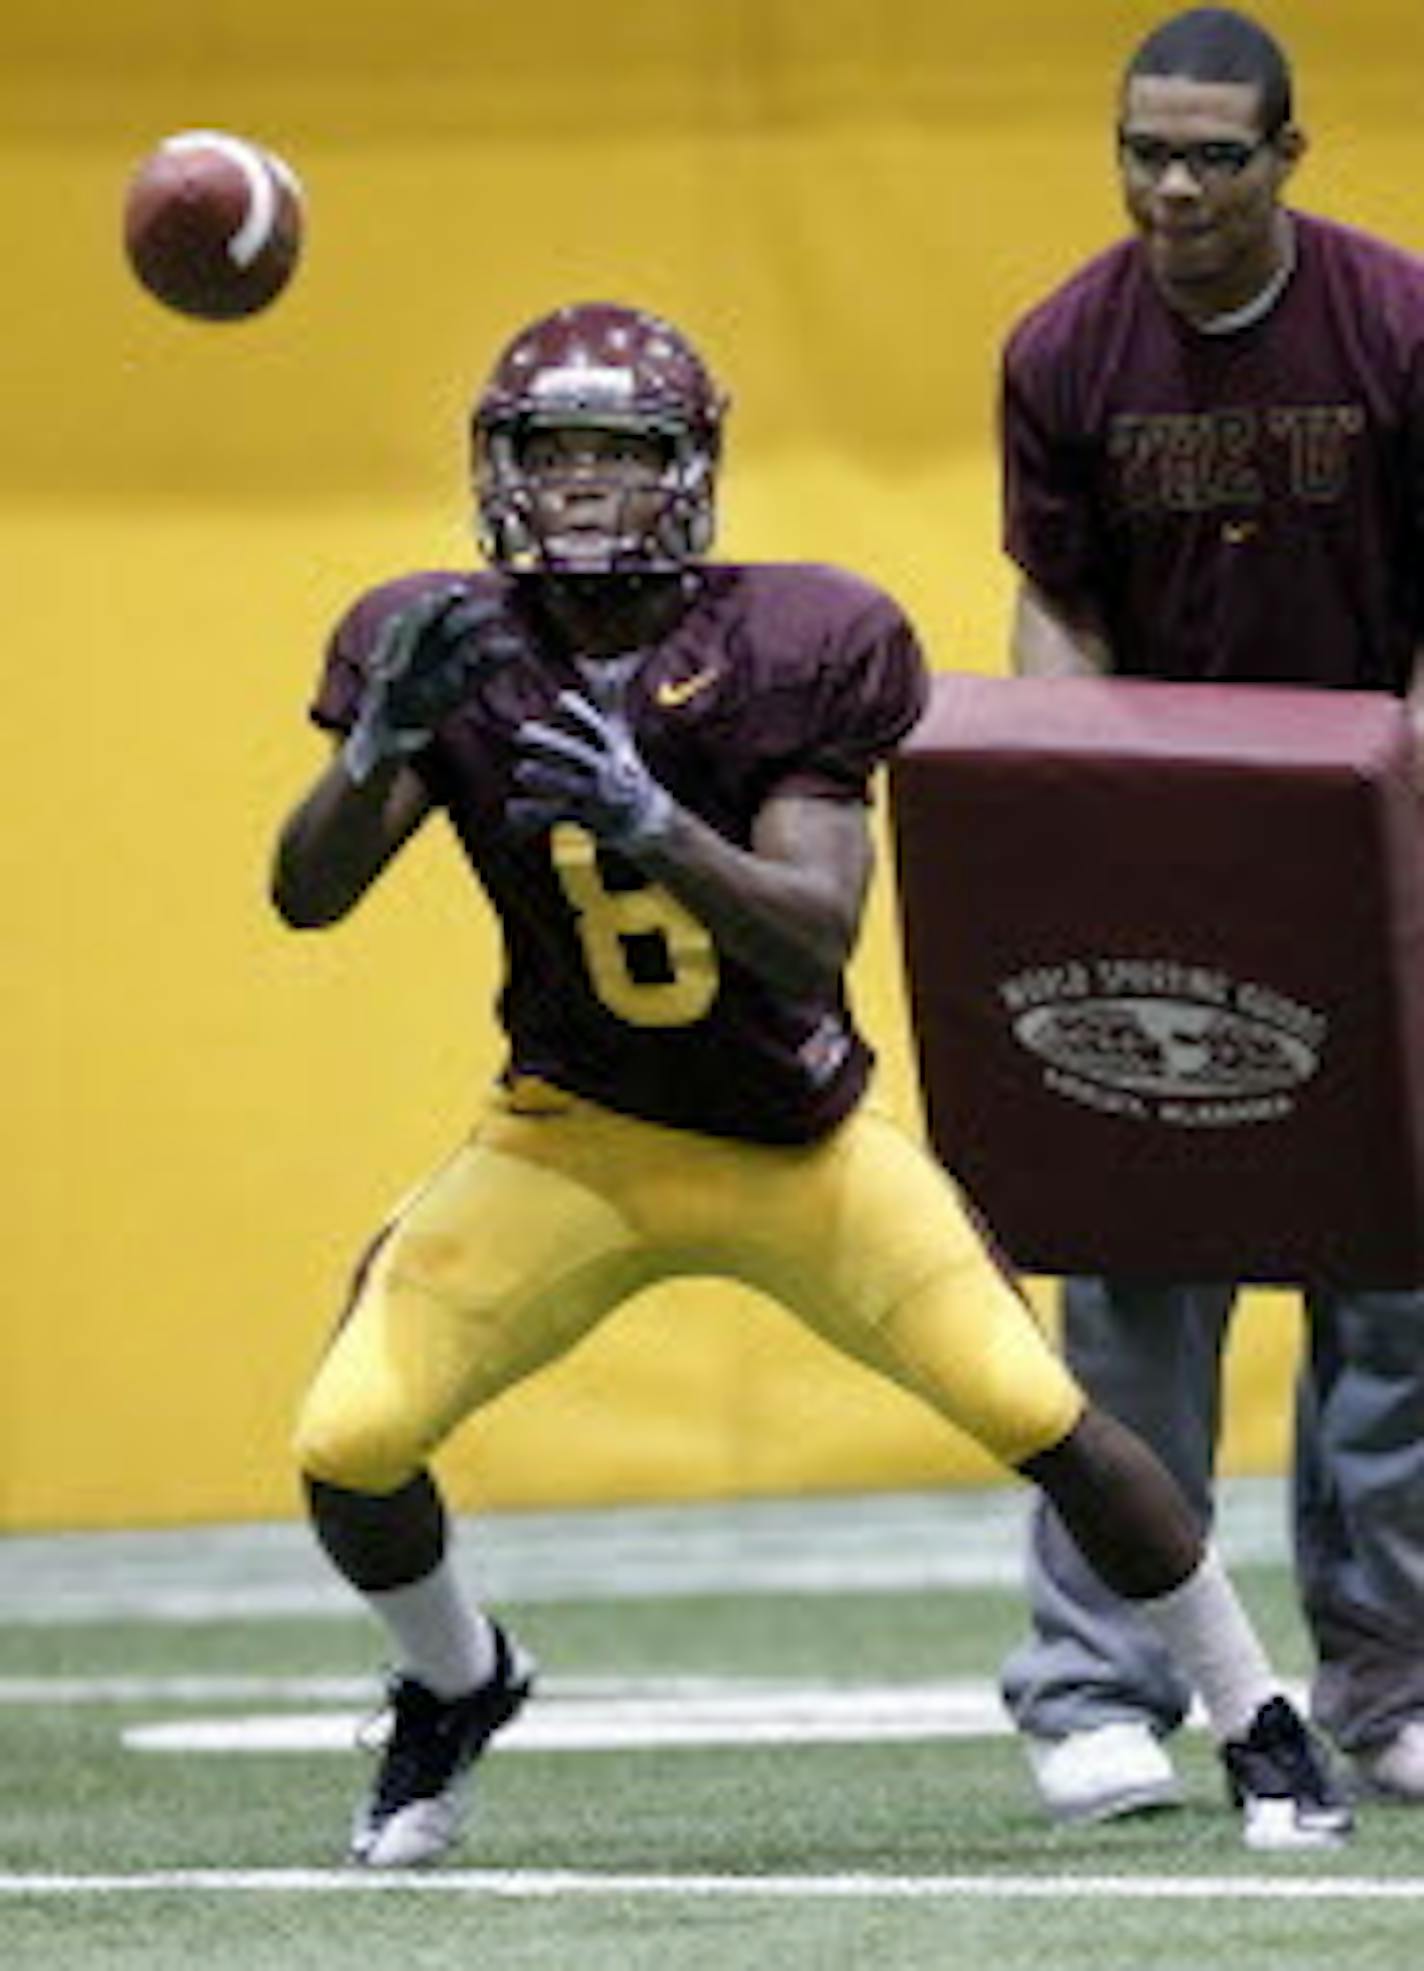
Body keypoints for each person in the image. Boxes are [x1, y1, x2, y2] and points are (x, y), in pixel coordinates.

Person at [271, 298, 1347, 1869]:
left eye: (617, 453)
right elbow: (304, 898)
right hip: (568, 1138)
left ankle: (1258, 1715)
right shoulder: (440, 643)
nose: (579, 486)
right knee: (349, 1440)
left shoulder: (795, 639)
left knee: (1042, 1412)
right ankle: (457, 1682)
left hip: (799, 1142)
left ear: (689, 472)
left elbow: (811, 938)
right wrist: (374, 749)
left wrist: (656, 825)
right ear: (497, 468)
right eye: (549, 451)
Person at [997, 5, 1424, 1823]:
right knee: (1135, 1304)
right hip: (1169, 867)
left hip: (1377, 848)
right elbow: (1057, 608)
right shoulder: (1064, 350)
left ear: (1288, 158)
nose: (1172, 188)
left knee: (1394, 1306)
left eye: (1210, 156)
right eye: (1141, 152)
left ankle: (1393, 1693)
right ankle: (1098, 1692)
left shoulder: (1401, 325)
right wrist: (1071, 817)